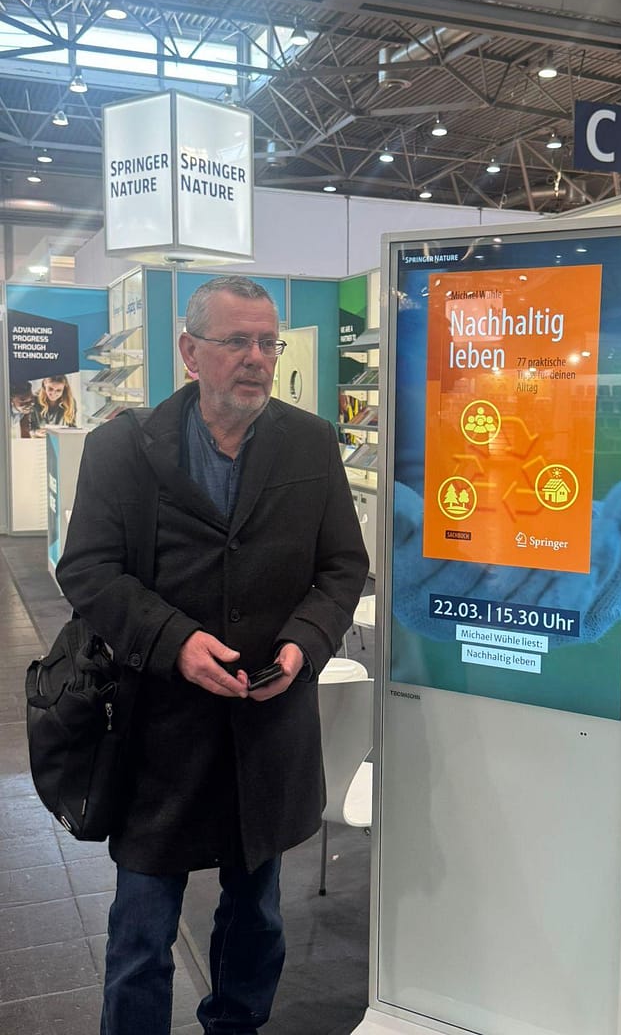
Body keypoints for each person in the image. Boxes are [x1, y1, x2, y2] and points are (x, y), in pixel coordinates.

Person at [56, 275, 369, 1035]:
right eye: (238, 342)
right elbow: (88, 570)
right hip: (156, 730)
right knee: (143, 927)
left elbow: (341, 567)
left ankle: (236, 1025)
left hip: (266, 723)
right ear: (191, 352)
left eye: (268, 342)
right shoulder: (122, 450)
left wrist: (304, 643)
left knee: (257, 915)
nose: (257, 358)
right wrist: (174, 641)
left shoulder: (309, 442)